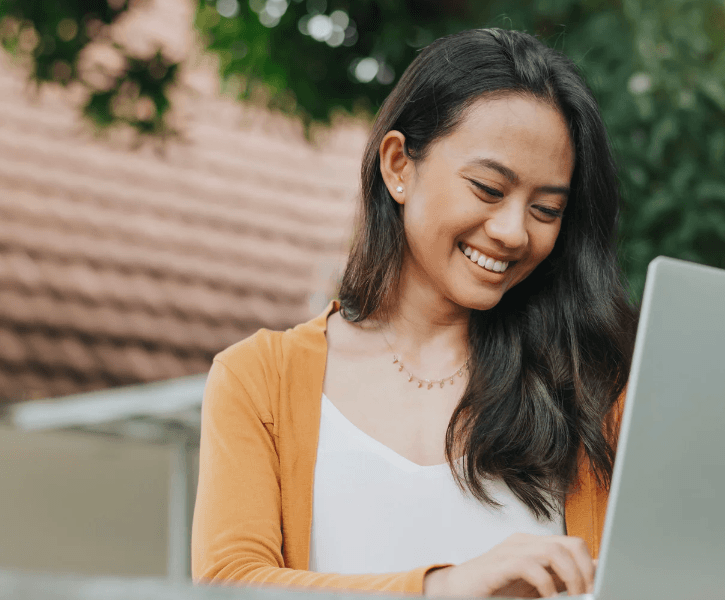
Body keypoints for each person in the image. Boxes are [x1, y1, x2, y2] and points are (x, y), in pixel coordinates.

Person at [191, 28, 636, 598]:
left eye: (546, 209)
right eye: (488, 188)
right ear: (400, 165)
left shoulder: (598, 389)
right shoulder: (258, 380)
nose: (513, 231)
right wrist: (444, 588)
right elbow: (229, 586)